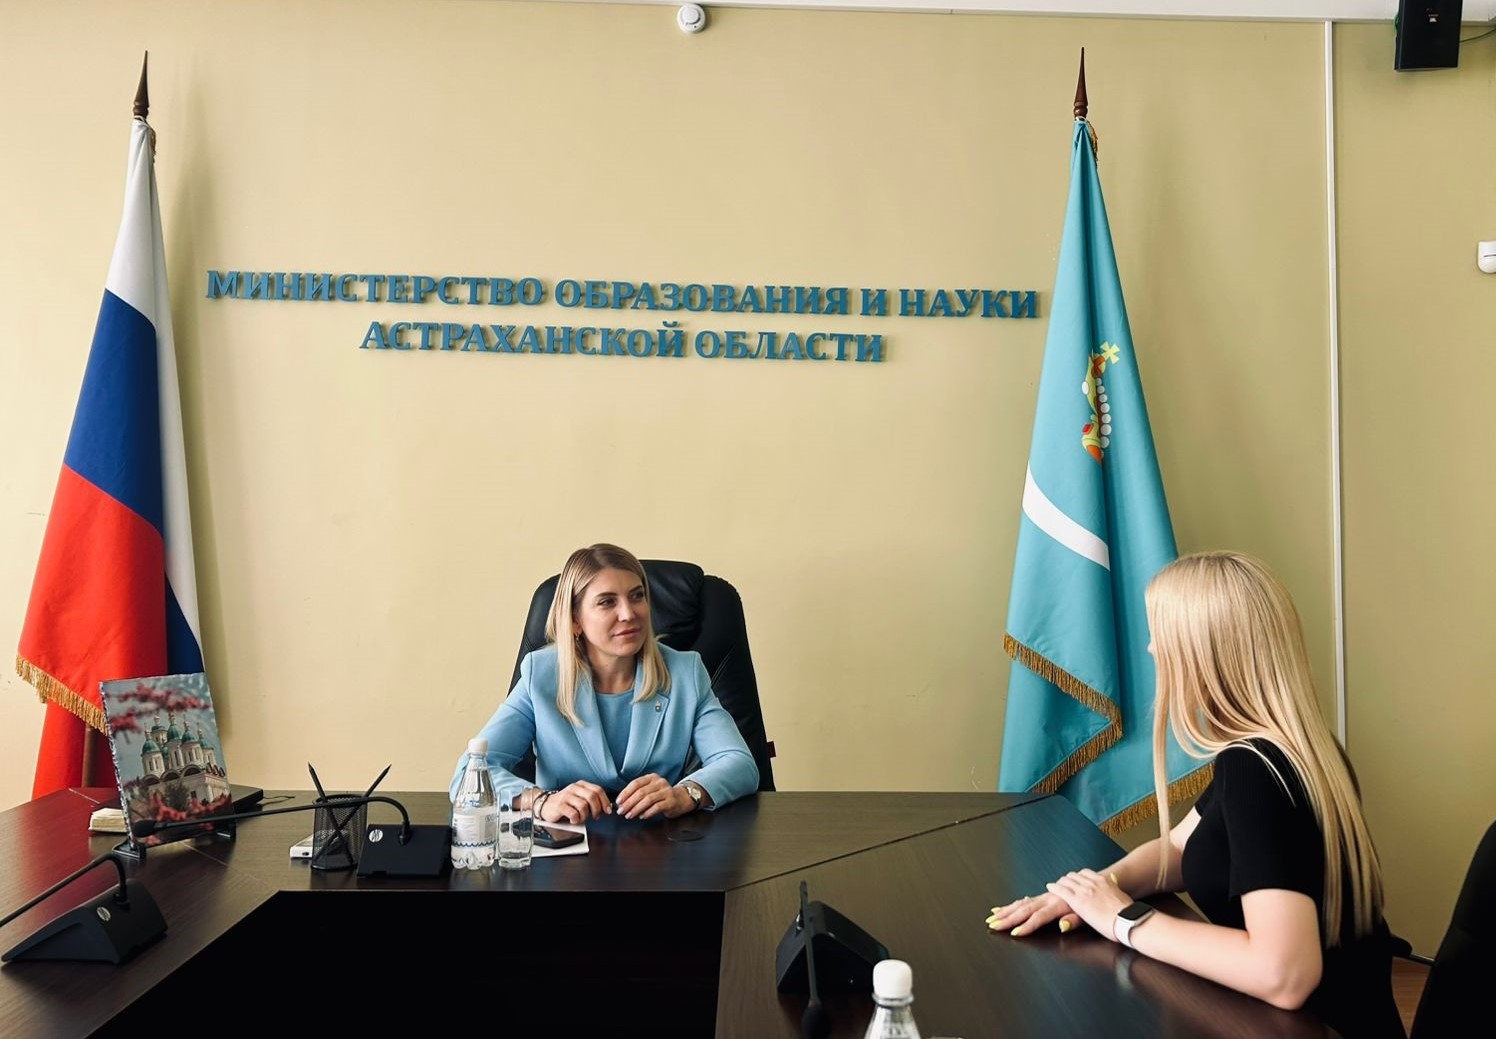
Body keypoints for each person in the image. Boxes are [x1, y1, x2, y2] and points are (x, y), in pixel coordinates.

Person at [989, 551, 1404, 1038]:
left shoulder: (1255, 768)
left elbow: (1285, 974)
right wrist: (1090, 892)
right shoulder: (1300, 748)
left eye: (1159, 635)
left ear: (1202, 654)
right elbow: (1180, 848)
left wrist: (1124, 920)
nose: (1150, 649)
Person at [451, 543, 759, 823]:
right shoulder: (541, 674)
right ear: (575, 620)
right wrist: (542, 801)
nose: (628, 614)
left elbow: (739, 763)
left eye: (637, 596)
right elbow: (469, 774)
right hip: (568, 845)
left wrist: (686, 794)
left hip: (660, 846)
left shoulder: (684, 672)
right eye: (607, 602)